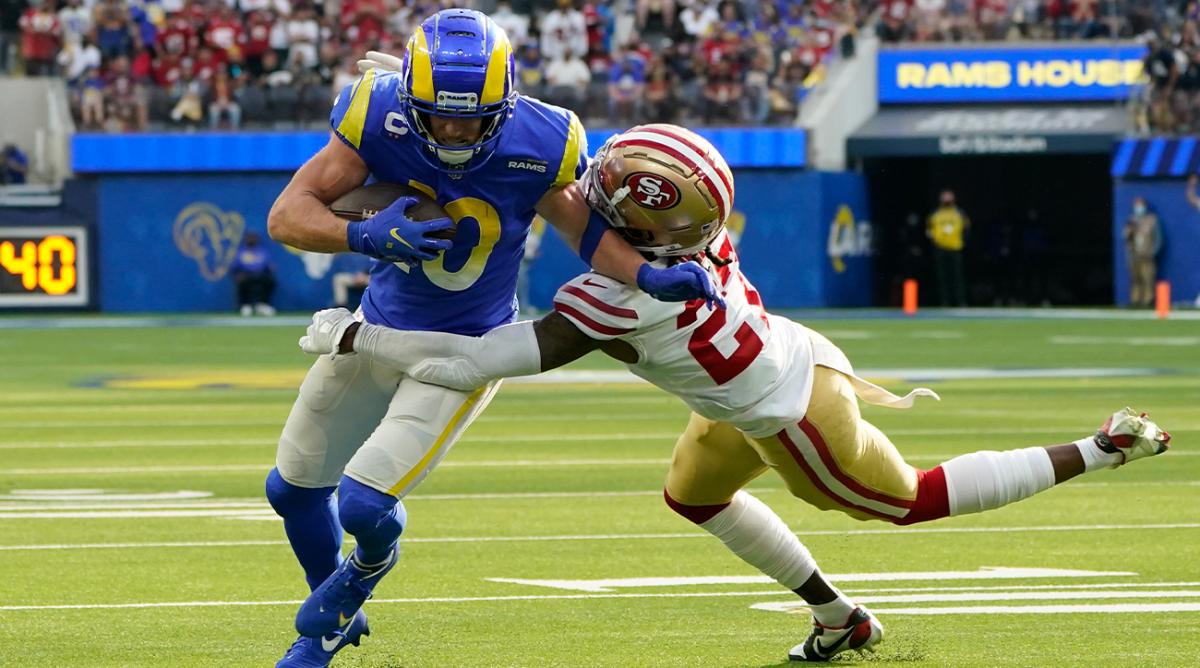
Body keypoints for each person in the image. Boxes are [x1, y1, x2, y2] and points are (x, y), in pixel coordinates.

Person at [300, 124, 1173, 663]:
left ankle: (1102, 446)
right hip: (759, 375)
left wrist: (356, 334)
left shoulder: (613, 299)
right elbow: (642, 198)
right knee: (691, 496)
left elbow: (470, 363)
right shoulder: (688, 241)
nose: (588, 191)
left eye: (607, 191)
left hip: (790, 418)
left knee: (906, 502)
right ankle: (841, 622)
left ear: (644, 227)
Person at [262, 12, 722, 668]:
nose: (454, 131)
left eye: (472, 117)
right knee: (292, 491)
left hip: (461, 352)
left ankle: (356, 578)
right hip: (375, 328)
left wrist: (647, 273)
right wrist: (362, 236)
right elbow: (287, 216)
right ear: (413, 101)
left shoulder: (542, 137)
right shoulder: (378, 117)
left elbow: (585, 233)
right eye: (440, 116)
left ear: (505, 105)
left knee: (363, 504)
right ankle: (333, 616)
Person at [926, 189, 968, 306]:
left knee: (957, 277)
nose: (947, 200)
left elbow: (966, 230)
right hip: (940, 249)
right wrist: (936, 243)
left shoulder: (959, 213)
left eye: (949, 197)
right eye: (945, 197)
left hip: (955, 248)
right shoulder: (935, 214)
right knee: (942, 278)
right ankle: (945, 302)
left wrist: (962, 242)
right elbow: (929, 231)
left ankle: (960, 301)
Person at [1122, 196, 1162, 308]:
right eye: (1137, 205)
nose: (1139, 207)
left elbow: (1158, 238)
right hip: (1134, 255)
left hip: (1147, 254)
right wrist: (1129, 231)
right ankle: (1135, 300)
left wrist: (1153, 252)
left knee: (1148, 278)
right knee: (1135, 278)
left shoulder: (1152, 219)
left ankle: (1148, 300)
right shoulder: (1131, 220)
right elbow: (1126, 238)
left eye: (1141, 205)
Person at [230, 231, 276, 316]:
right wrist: (237, 274)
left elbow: (269, 265)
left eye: (253, 238)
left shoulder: (262, 251)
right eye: (249, 238)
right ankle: (245, 306)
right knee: (242, 282)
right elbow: (234, 267)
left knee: (270, 281)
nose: (251, 240)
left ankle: (262, 304)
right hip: (246, 274)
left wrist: (270, 269)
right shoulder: (241, 252)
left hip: (260, 274)